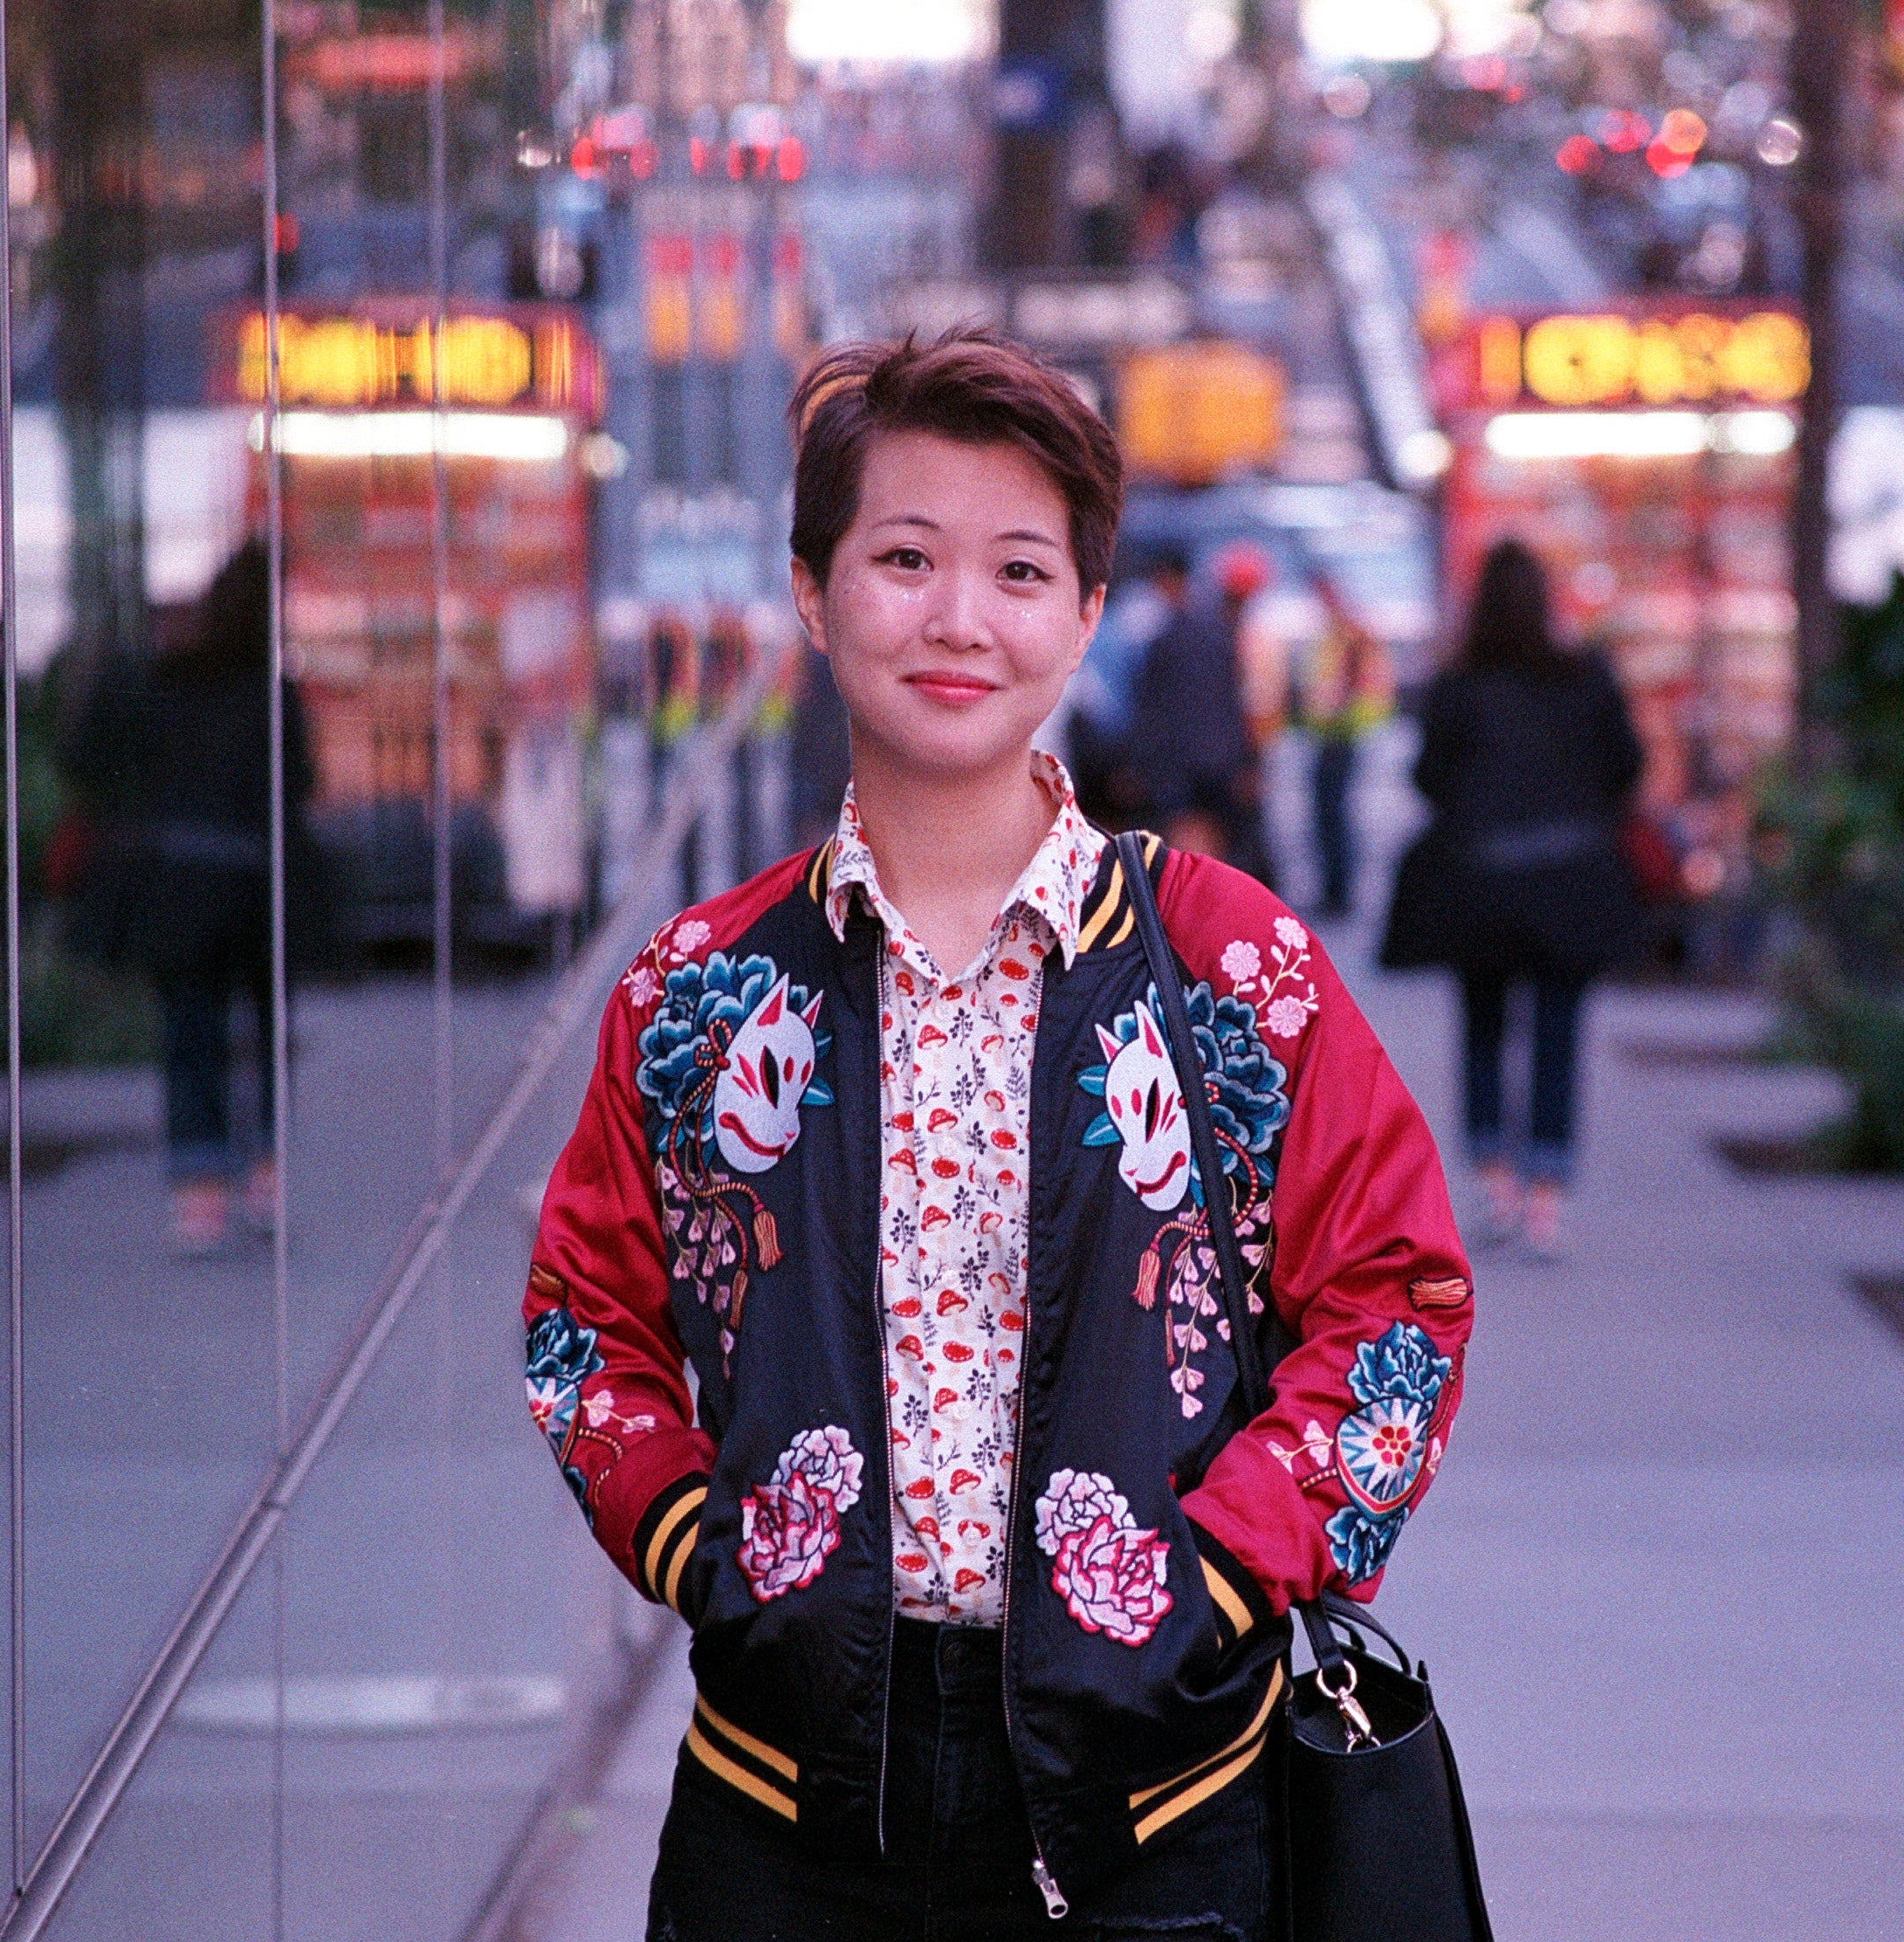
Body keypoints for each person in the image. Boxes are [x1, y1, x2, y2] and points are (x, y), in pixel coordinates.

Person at [520, 327, 1473, 1941]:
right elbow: (581, 1326)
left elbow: (1398, 1305)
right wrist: (706, 1560)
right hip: (785, 1801)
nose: (959, 618)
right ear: (814, 594)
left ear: (1084, 615)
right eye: (903, 558)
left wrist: (1219, 1581)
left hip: (1157, 1800)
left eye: (1020, 571)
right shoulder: (698, 991)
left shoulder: (1233, 970)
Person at [1385, 539, 1645, 1259]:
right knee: (1560, 1032)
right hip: (1571, 882)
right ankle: (1546, 1200)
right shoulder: (1587, 676)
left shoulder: (1459, 683)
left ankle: (1495, 1185)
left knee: (1483, 1026)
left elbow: (1428, 777)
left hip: (1481, 884)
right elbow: (1627, 765)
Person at [62, 539, 320, 1255]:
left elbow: (91, 757)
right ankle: (264, 1174)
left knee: (189, 1029)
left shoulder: (159, 679)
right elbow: (299, 784)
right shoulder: (271, 690)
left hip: (177, 884)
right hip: (258, 881)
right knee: (266, 1028)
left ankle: (200, 1196)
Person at [1122, 544, 1256, 864]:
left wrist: (1140, 763)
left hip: (1178, 763)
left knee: (1180, 852)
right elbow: (1235, 702)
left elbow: (1150, 709)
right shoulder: (1219, 632)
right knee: (1223, 850)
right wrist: (1246, 761)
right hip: (1221, 759)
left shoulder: (1163, 639)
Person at [1295, 565, 1393, 919]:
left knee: (1332, 814)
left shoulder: (1349, 632)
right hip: (1332, 733)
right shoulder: (1339, 630)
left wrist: (1333, 707)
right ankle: (1335, 888)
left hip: (1341, 733)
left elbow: (1353, 682)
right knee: (1329, 814)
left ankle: (1339, 891)